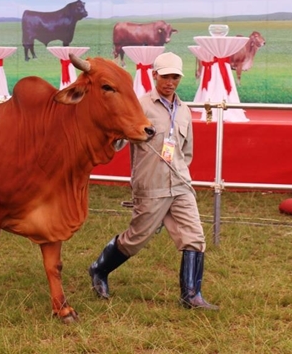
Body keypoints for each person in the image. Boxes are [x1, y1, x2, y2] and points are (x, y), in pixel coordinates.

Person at [88, 51, 219, 310]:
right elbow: (118, 141)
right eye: (166, 76)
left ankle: (191, 296)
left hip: (181, 184)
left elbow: (186, 151)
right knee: (136, 239)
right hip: (151, 186)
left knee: (194, 236)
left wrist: (179, 172)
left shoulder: (183, 110)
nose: (171, 82)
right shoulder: (139, 106)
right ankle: (99, 269)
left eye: (176, 77)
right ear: (154, 75)